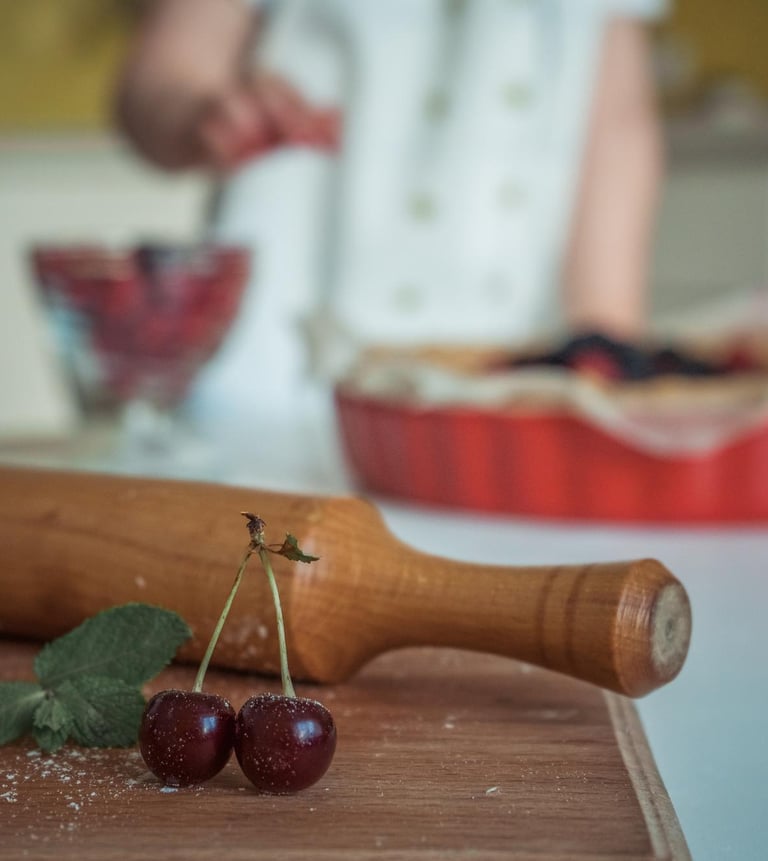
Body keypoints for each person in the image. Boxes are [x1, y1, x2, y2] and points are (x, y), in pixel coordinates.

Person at [114, 0, 668, 484]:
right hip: (275, 361)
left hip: (495, 378)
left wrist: (607, 347)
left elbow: (616, 126)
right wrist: (202, 117)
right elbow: (160, 77)